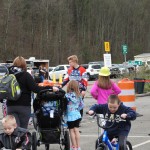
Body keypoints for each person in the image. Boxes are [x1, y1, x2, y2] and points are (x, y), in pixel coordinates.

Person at [7, 56, 59, 129]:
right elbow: (36, 89)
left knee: (13, 129)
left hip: (10, 105)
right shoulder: (26, 75)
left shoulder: (9, 75)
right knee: (22, 129)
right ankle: (21, 140)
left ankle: (13, 140)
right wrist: (50, 88)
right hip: (23, 106)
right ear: (24, 65)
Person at [61, 55, 88, 119]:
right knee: (71, 104)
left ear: (74, 61)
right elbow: (66, 79)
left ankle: (79, 118)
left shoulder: (82, 69)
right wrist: (60, 86)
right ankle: (72, 117)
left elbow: (85, 80)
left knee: (79, 104)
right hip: (71, 90)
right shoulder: (69, 70)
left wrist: (84, 90)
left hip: (79, 90)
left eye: (70, 62)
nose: (69, 64)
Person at [65, 80, 84, 150]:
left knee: (71, 131)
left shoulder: (66, 96)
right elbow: (82, 105)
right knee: (76, 130)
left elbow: (65, 106)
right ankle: (78, 147)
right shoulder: (78, 95)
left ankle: (74, 147)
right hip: (77, 114)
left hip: (70, 115)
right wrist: (77, 109)